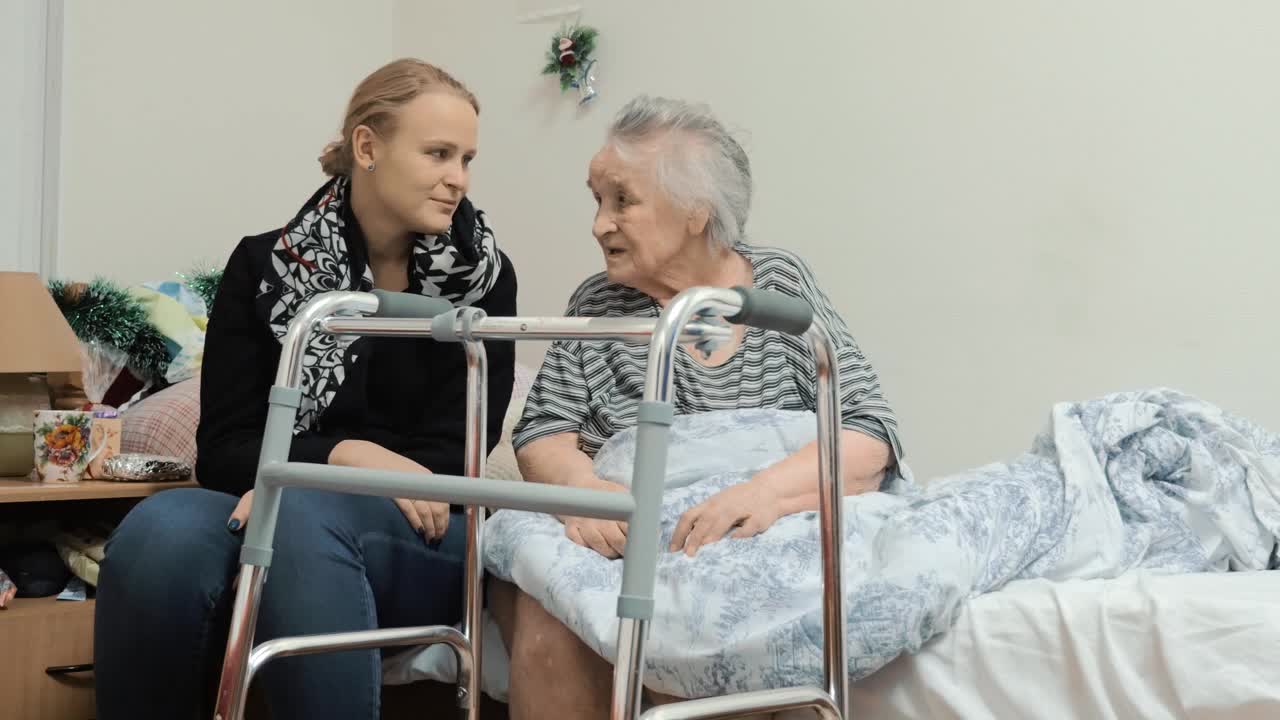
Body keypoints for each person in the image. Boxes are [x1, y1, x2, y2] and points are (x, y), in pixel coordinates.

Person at [93, 58, 517, 720]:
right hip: (283, 495)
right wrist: (343, 456)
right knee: (162, 532)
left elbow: (452, 461)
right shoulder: (263, 268)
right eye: (438, 153)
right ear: (368, 147)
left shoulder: (483, 282)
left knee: (299, 515)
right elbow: (225, 449)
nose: (458, 178)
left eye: (466, 157)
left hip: (425, 530)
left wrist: (296, 479)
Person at [488, 96, 903, 719]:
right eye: (596, 200)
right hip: (637, 527)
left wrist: (760, 493)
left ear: (694, 212)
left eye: (621, 201)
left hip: (763, 521)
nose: (599, 224)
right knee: (541, 585)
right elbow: (545, 431)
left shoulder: (780, 284)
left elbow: (867, 433)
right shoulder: (598, 303)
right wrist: (586, 491)